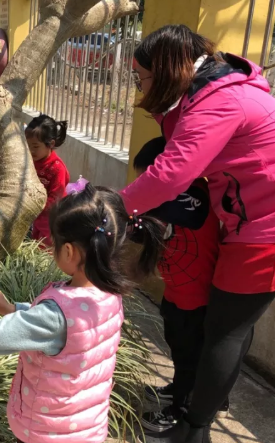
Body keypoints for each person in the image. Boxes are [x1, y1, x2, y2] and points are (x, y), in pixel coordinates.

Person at [122, 25, 275, 443]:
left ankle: (194, 428)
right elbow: (176, 138)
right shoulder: (209, 91)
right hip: (249, 222)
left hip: (265, 231)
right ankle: (203, 406)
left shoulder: (221, 101)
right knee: (231, 328)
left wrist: (116, 208)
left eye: (142, 77)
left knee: (224, 331)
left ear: (170, 68)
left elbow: (172, 171)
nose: (139, 86)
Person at [0, 179, 164, 443]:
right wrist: (13, 309)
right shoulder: (110, 294)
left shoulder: (58, 312)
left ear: (68, 251)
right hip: (86, 426)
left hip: (47, 432)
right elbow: (66, 334)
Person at [133, 137, 227, 432]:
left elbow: (146, 224)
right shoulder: (172, 198)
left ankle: (180, 410)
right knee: (177, 344)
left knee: (189, 354)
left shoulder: (194, 196)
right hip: (176, 291)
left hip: (195, 296)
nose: (146, 187)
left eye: (149, 179)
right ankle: (179, 387)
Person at [25, 115, 70, 248]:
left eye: (35, 146)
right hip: (36, 216)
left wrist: (34, 206)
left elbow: (55, 198)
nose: (31, 150)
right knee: (34, 243)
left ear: (50, 144)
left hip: (52, 219)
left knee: (46, 251)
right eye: (28, 146)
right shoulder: (31, 160)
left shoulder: (57, 168)